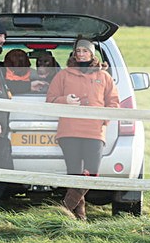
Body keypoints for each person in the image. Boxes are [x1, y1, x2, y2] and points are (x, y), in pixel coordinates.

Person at [45, 39, 119, 220]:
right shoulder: (63, 75)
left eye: (85, 51)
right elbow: (50, 99)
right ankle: (80, 216)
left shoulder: (104, 77)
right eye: (78, 51)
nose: (81, 54)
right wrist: (65, 100)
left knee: (92, 172)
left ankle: (64, 209)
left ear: (92, 54)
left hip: (94, 131)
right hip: (69, 130)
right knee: (74, 174)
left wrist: (104, 120)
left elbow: (114, 103)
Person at [0, 21, 15, 209]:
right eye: (0, 35)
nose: (3, 40)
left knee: (3, 165)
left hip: (0, 126)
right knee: (2, 165)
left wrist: (29, 86)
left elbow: (1, 87)